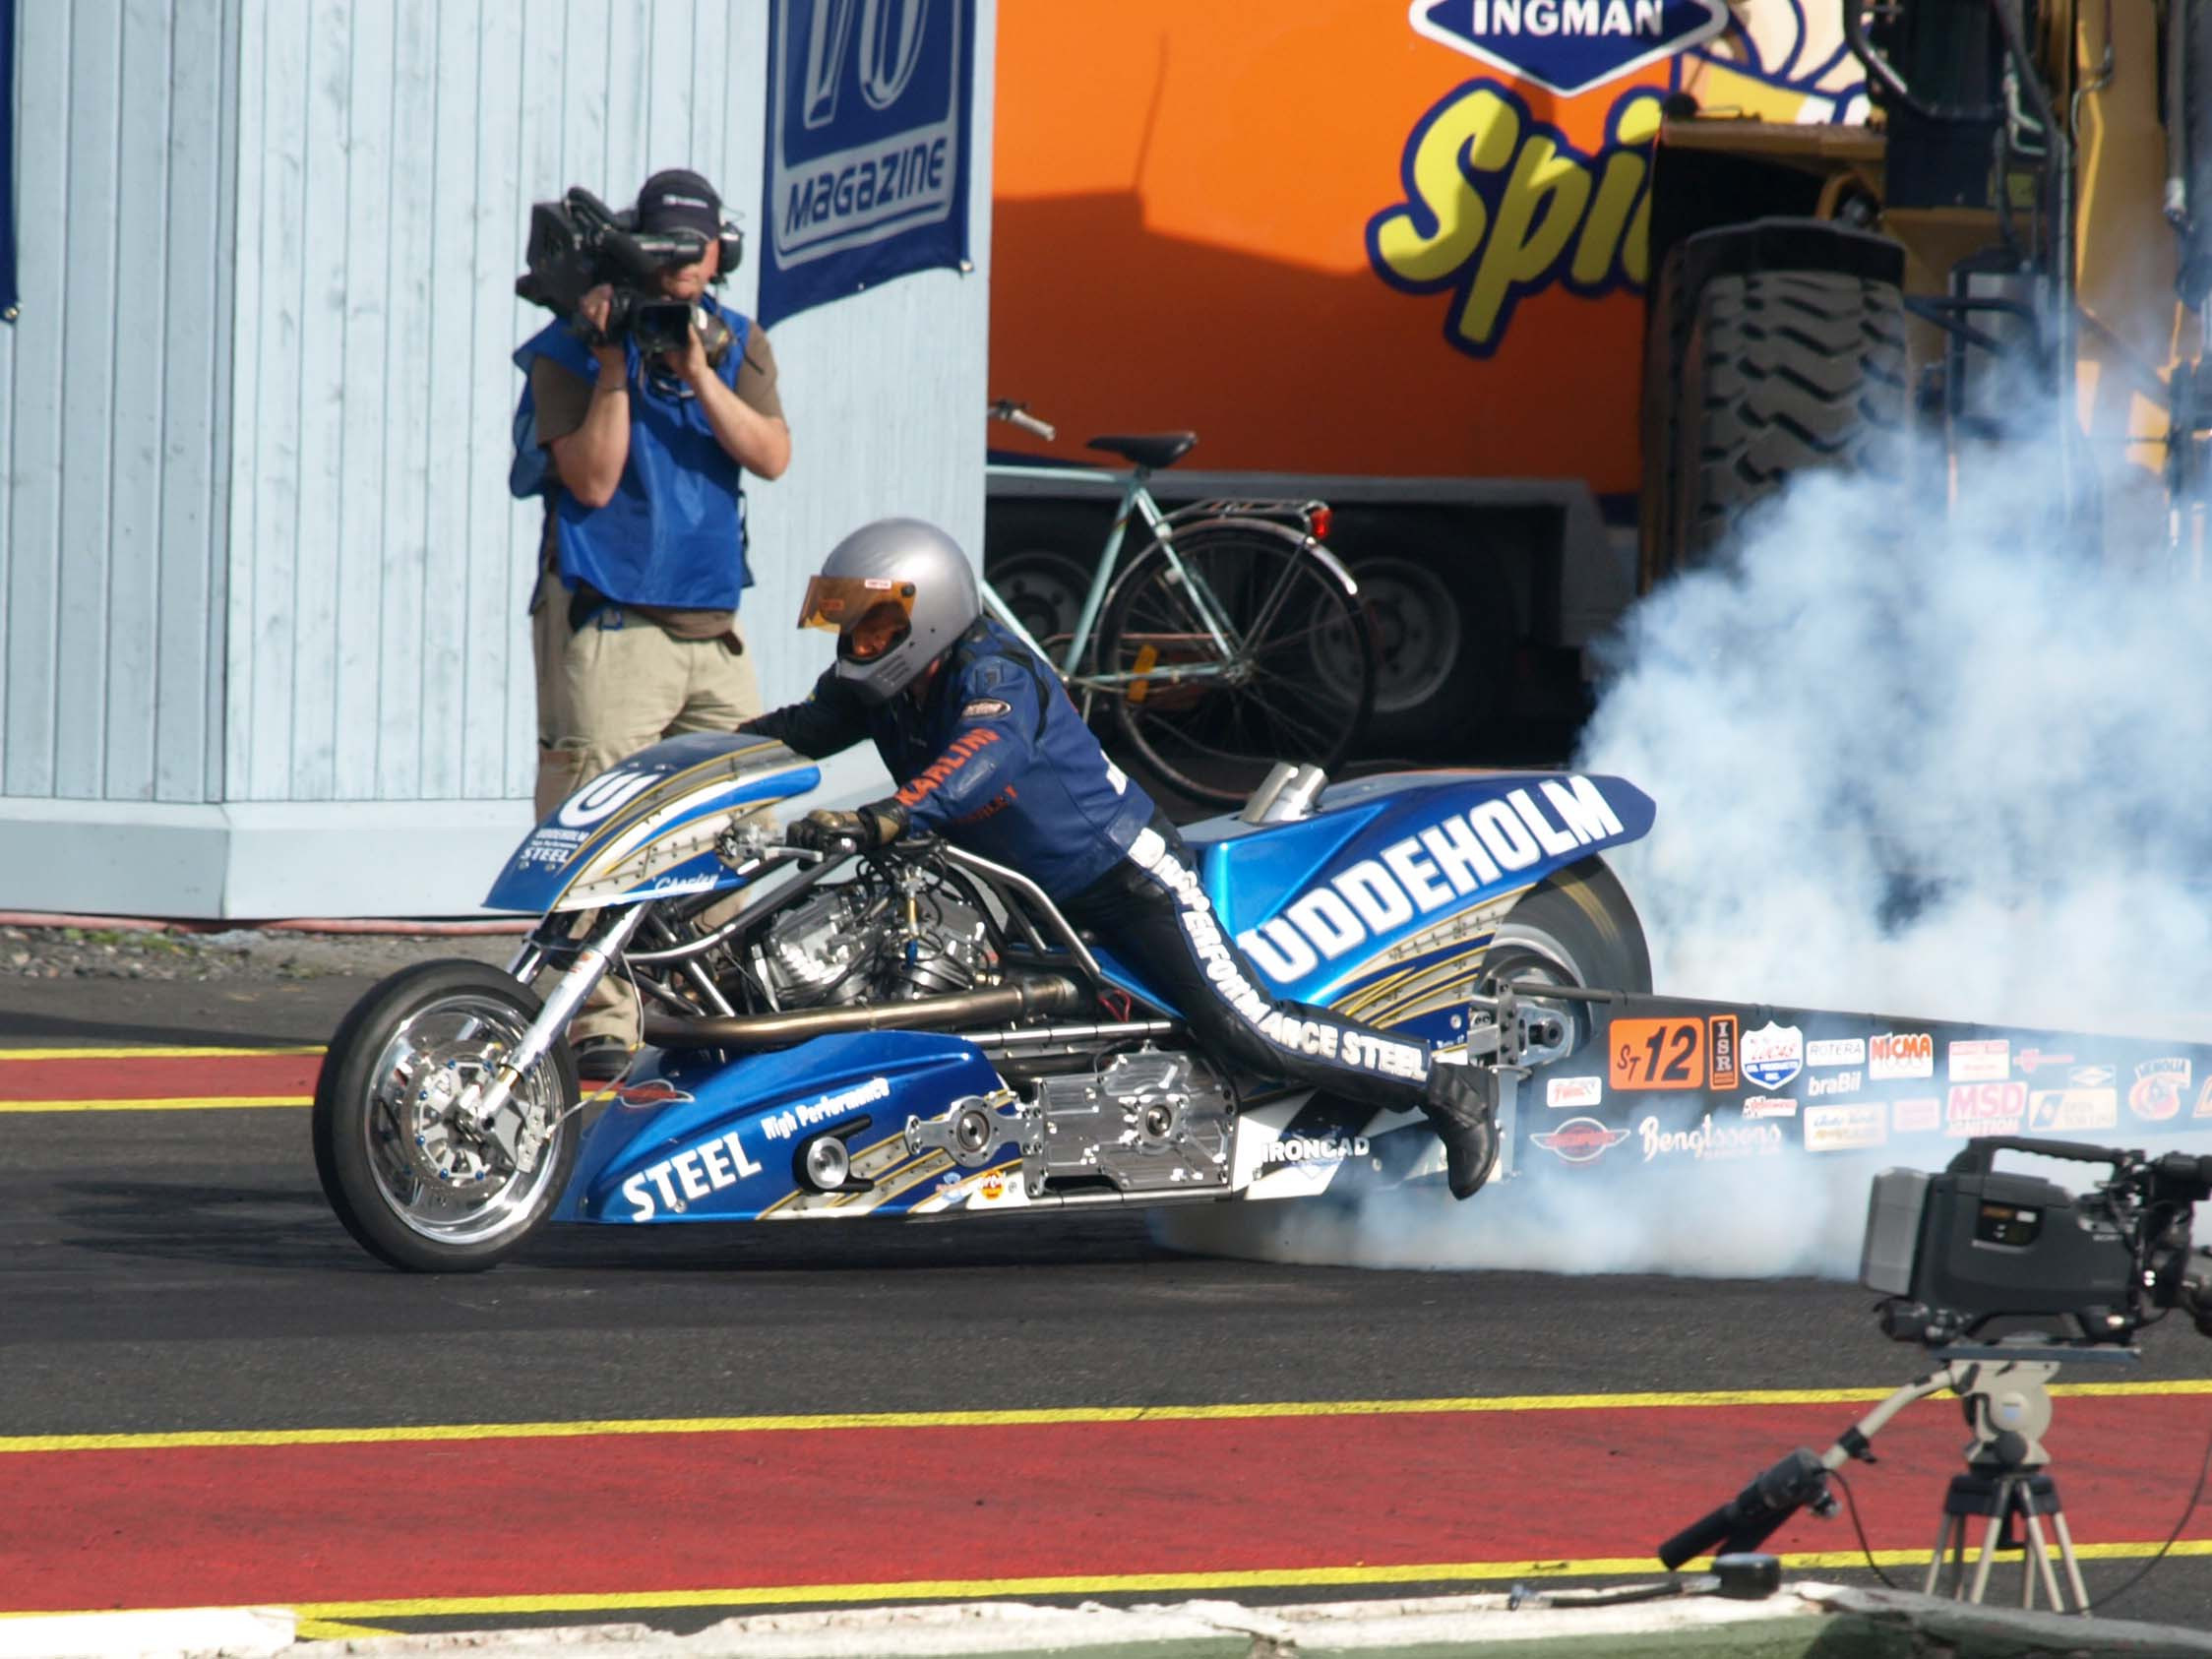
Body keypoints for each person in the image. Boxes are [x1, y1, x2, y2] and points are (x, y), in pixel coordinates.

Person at [740, 519, 1501, 1198]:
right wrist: (695, 765)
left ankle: (1447, 1084)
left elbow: (986, 756)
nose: (857, 646)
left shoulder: (994, 672)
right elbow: (798, 729)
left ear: (928, 617)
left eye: (875, 627)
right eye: (852, 628)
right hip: (1026, 894)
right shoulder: (876, 690)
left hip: (1126, 879)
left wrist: (890, 816)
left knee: (1248, 1031)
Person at [512, 167, 792, 1079]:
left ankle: (705, 993)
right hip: (613, 621)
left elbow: (772, 455)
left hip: (714, 627)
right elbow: (592, 481)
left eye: (698, 245)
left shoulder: (737, 340)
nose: (685, 263)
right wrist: (615, 362)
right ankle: (598, 1015)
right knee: (593, 817)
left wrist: (698, 371)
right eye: (666, 244)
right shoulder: (568, 346)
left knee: (739, 816)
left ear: (721, 252)